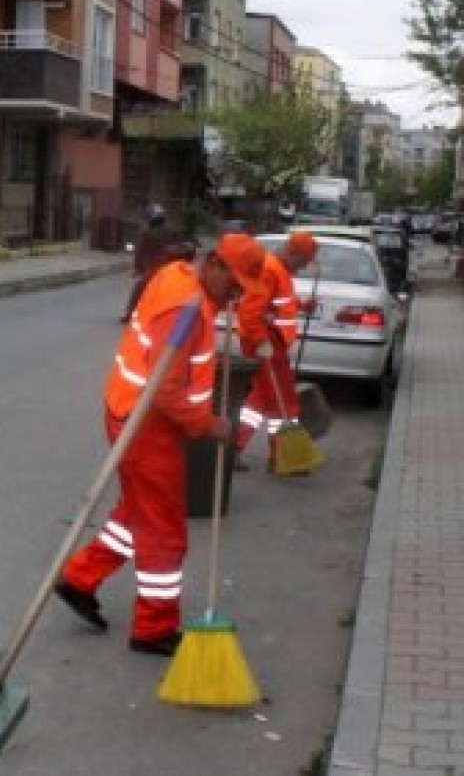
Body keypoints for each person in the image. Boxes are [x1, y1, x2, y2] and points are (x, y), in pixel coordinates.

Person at [56, 233, 267, 657]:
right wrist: (210, 424)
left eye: (243, 290)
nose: (236, 295)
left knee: (136, 514)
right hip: (147, 425)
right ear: (215, 265)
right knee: (166, 533)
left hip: (130, 414)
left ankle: (80, 578)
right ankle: (154, 627)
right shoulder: (185, 309)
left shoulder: (180, 279)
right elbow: (165, 390)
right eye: (234, 285)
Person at [233, 230, 319, 472]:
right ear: (292, 252)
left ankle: (242, 448)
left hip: (271, 343)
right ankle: (280, 456)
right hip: (266, 343)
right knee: (279, 400)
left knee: (266, 398)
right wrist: (261, 342)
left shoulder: (279, 271)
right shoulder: (271, 269)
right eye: (302, 262)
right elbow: (250, 311)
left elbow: (277, 304)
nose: (302, 268)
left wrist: (302, 305)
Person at [119, 204, 194, 323]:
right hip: (172, 268)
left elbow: (139, 252)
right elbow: (184, 246)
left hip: (154, 269)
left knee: (138, 287)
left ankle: (129, 313)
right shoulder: (172, 230)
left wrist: (137, 268)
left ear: (150, 218)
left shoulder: (146, 233)